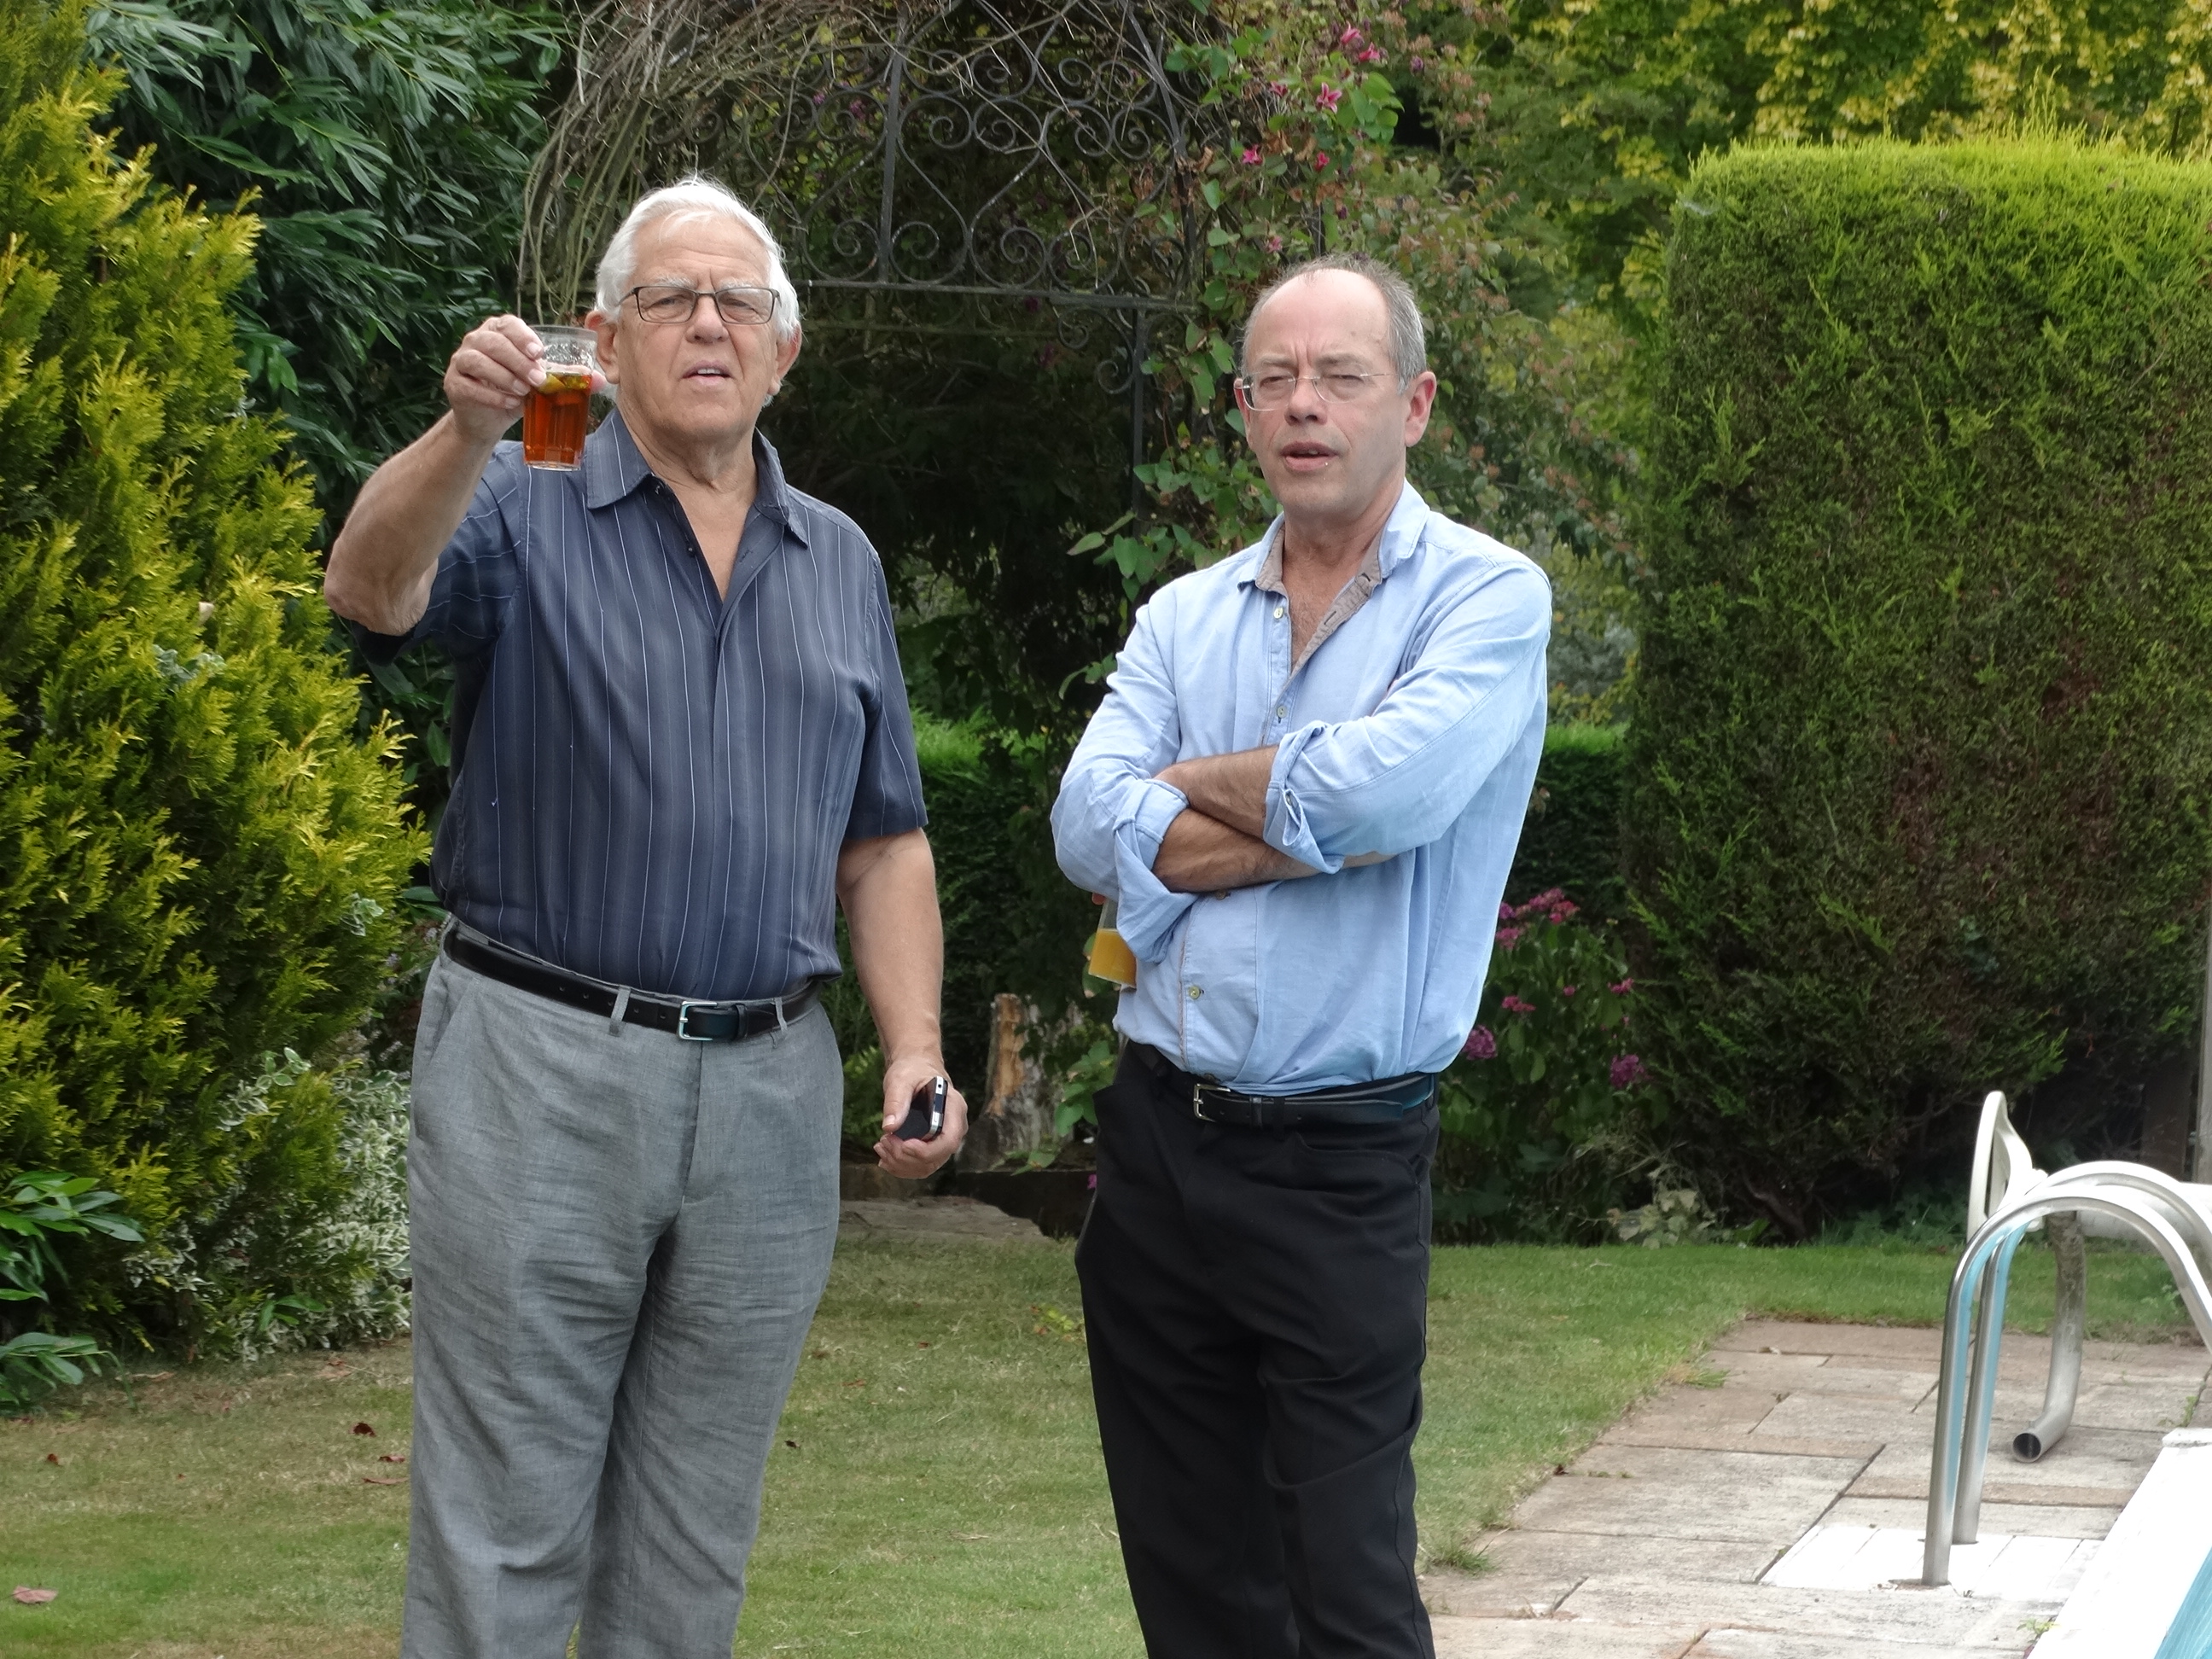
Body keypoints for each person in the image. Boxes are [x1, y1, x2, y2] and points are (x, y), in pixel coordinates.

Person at [323, 176, 969, 1658]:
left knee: (694, 1538)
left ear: (784, 350)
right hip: (540, 1066)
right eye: (670, 299)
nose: (708, 324)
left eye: (740, 301)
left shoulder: (842, 561)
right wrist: (464, 430)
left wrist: (915, 1050)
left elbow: (882, 841)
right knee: (505, 1527)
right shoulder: (518, 500)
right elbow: (368, 590)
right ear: (603, 344)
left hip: (768, 1096)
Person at [1051, 251, 1551, 1657]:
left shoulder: (1488, 598)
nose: (1302, 405)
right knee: (1195, 1587)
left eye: (1340, 376)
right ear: (1243, 410)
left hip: (1343, 1162)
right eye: (1272, 380)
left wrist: (1180, 795)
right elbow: (1084, 826)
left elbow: (1388, 798)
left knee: (1349, 1590)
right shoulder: (1184, 614)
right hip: (1158, 1150)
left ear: (1416, 404)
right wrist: (1311, 816)